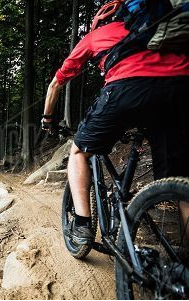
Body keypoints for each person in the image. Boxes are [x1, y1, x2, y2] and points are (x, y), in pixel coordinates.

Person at [42, 0, 189, 244]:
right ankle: (183, 264)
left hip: (126, 90)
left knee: (78, 152)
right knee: (182, 181)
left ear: (97, 24)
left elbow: (56, 84)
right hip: (180, 90)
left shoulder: (94, 37)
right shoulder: (156, 28)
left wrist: (47, 119)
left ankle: (82, 226)